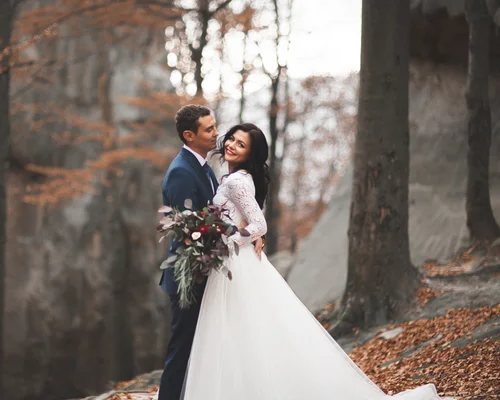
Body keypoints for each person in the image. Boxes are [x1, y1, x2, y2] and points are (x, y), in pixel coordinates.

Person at [179, 123, 452, 400]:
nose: (231, 146)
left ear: (250, 154)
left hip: (236, 263)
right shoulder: (236, 178)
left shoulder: (237, 181)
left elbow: (259, 224)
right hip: (236, 263)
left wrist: (229, 238)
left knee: (235, 328)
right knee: (244, 330)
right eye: (232, 139)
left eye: (240, 145)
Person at [157, 107, 262, 400]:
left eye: (215, 126)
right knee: (182, 348)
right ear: (190, 136)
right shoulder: (181, 172)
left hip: (209, 270)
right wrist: (242, 234)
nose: (217, 133)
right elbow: (190, 231)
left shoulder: (204, 167)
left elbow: (218, 216)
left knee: (205, 345)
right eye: (209, 129)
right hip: (189, 275)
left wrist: (251, 231)